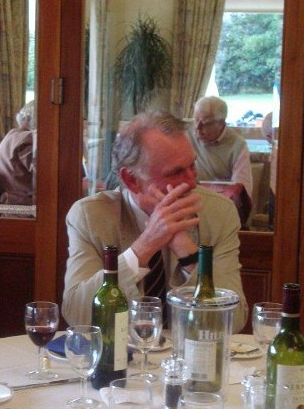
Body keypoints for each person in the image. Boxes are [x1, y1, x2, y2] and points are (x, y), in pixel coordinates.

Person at [62, 111, 248, 333]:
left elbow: (234, 320)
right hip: (120, 352)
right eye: (176, 172)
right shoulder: (90, 216)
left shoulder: (218, 212)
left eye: (192, 166)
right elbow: (77, 315)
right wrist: (145, 246)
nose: (192, 182)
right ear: (132, 179)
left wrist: (188, 254)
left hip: (191, 351)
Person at [189, 96, 254, 199]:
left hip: (220, 200)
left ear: (221, 123)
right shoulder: (185, 132)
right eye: (196, 120)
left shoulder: (237, 145)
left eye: (205, 123)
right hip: (190, 196)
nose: (197, 127)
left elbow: (241, 191)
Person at [0, 100, 36, 205]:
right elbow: (42, 174)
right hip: (21, 204)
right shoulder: (26, 139)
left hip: (13, 199)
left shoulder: (13, 134)